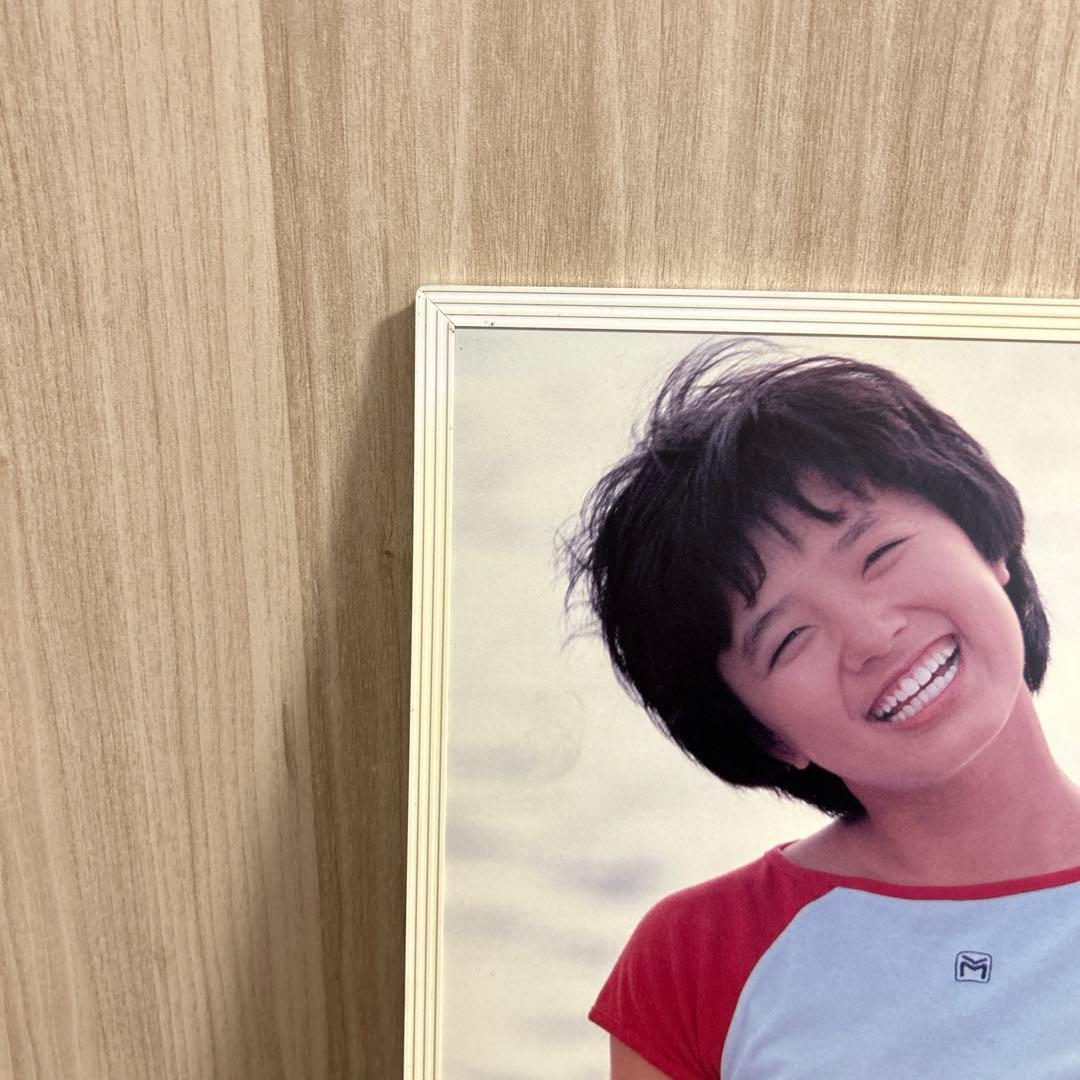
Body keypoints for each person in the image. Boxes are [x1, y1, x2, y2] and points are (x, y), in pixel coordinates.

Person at [564, 338, 1080, 1079]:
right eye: (789, 638)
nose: (870, 636)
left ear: (987, 540)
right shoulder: (699, 955)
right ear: (762, 733)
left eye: (879, 554)